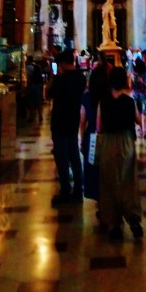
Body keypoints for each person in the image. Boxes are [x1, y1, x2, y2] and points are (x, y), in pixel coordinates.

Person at [96, 65, 143, 240]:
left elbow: (99, 126)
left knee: (109, 183)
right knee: (128, 181)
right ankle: (133, 219)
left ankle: (114, 224)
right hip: (126, 142)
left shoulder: (104, 100)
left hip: (108, 142)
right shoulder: (129, 100)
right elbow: (138, 120)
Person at [48, 48, 86, 206]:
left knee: (62, 158)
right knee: (75, 156)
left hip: (59, 122)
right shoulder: (81, 78)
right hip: (73, 120)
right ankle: (78, 189)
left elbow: (48, 94)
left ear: (62, 63)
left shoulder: (60, 80)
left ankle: (65, 191)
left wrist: (54, 77)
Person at [79, 65, 109, 224]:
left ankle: (99, 203)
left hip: (91, 137)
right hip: (107, 136)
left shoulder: (86, 97)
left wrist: (81, 139)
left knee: (94, 170)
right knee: (106, 170)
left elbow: (82, 121)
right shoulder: (109, 96)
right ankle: (106, 203)